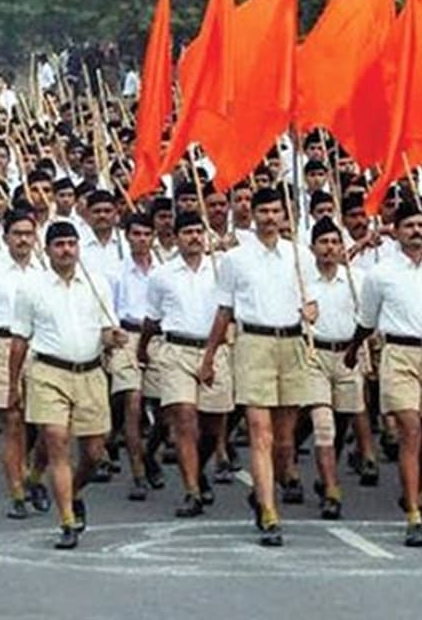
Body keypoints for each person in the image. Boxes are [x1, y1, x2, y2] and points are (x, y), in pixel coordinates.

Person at [198, 187, 316, 547]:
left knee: (284, 441)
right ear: (251, 213)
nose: (268, 217)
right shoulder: (236, 259)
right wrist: (209, 357)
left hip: (292, 343)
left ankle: (267, 489)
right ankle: (268, 511)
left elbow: (312, 302)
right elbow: (224, 310)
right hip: (253, 343)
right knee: (259, 433)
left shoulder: (300, 257)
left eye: (275, 211)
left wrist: (312, 312)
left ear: (285, 215)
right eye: (262, 210)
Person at [10, 220, 126, 550]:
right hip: (49, 371)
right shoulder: (32, 288)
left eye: (71, 244)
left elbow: (105, 329)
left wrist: (113, 337)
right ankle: (66, 520)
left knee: (93, 453)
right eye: (59, 244)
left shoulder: (96, 284)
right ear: (46, 251)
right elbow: (19, 339)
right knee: (57, 440)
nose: (66, 250)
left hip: (90, 373)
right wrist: (12, 385)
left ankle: (72, 491)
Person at [345, 202, 422, 548]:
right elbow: (367, 320)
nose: (416, 231)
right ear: (395, 230)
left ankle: (417, 491)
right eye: (408, 225)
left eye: (421, 225)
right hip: (399, 352)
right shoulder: (381, 274)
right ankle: (412, 514)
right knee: (411, 430)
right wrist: (352, 351)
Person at [141, 211, 235, 518]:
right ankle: (191, 491)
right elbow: (152, 318)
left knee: (212, 427)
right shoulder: (161, 275)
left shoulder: (222, 270)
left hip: (215, 350)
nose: (194, 237)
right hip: (176, 349)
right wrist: (143, 348)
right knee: (184, 419)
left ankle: (199, 470)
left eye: (199, 231)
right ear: (175, 237)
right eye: (187, 232)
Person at [0, 208, 48, 518]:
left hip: (40, 349)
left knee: (47, 428)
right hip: (3, 345)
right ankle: (16, 492)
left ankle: (34, 475)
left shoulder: (46, 271)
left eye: (28, 234)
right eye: (17, 234)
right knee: (12, 423)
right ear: (6, 238)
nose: (23, 240)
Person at [301, 216, 366, 520]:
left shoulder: (357, 279)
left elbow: (368, 318)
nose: (329, 248)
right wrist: (302, 313)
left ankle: (324, 471)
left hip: (348, 355)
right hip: (315, 354)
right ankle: (331, 490)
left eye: (334, 242)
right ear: (312, 247)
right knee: (323, 423)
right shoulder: (301, 281)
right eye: (323, 242)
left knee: (342, 422)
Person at [107, 213, 155, 502]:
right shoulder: (116, 272)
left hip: (158, 339)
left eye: (147, 234)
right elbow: (109, 311)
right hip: (126, 336)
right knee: (133, 402)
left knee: (167, 412)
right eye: (136, 234)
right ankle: (138, 472)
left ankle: (147, 454)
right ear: (127, 236)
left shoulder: (163, 270)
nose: (142, 240)